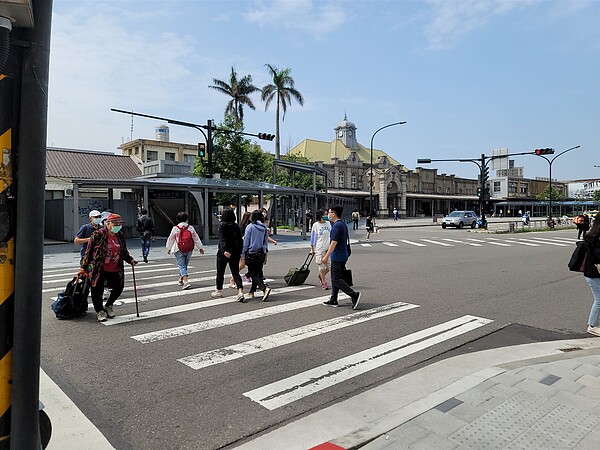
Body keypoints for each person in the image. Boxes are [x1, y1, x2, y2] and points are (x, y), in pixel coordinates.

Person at [80, 213, 137, 322]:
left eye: (120, 223)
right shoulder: (98, 234)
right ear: (107, 223)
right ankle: (99, 311)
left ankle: (109, 305)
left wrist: (130, 260)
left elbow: (123, 251)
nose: (118, 225)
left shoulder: (119, 235)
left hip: (115, 267)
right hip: (99, 267)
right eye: (116, 223)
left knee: (119, 287)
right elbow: (89, 251)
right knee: (97, 289)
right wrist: (84, 267)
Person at [321, 205, 360, 309]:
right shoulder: (342, 224)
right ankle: (334, 298)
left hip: (337, 256)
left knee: (336, 279)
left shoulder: (336, 226)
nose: (327, 215)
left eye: (329, 212)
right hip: (343, 254)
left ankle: (354, 295)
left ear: (333, 213)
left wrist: (326, 256)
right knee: (335, 278)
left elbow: (333, 243)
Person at [166, 211, 205, 290]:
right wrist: (200, 248)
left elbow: (171, 239)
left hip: (178, 249)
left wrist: (168, 248)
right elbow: (196, 238)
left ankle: (186, 282)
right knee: (184, 265)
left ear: (177, 219)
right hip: (189, 249)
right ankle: (181, 279)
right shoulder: (190, 228)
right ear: (187, 219)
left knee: (182, 265)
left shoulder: (175, 228)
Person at [212, 208, 245, 302]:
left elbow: (222, 239)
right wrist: (239, 251)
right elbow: (240, 240)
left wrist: (224, 250)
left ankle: (218, 291)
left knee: (220, 272)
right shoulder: (236, 226)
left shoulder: (222, 226)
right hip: (235, 252)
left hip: (224, 253)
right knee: (235, 272)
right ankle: (240, 291)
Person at [242, 210, 272, 302]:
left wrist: (243, 253)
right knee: (257, 272)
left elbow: (246, 241)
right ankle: (252, 291)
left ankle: (264, 289)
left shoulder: (250, 227)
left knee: (253, 273)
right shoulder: (264, 228)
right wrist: (265, 253)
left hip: (251, 253)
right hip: (261, 253)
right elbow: (265, 242)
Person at [582, 213, 600, 336]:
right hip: (594, 273)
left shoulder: (591, 235)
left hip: (592, 272)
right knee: (599, 300)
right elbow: (597, 258)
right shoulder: (596, 238)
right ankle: (592, 325)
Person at [310, 209, 332, 290]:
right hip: (319, 248)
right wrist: (312, 249)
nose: (327, 216)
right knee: (321, 267)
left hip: (328, 248)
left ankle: (321, 275)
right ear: (320, 216)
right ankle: (323, 282)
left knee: (330, 267)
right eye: (325, 215)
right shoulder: (316, 225)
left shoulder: (328, 223)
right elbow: (313, 238)